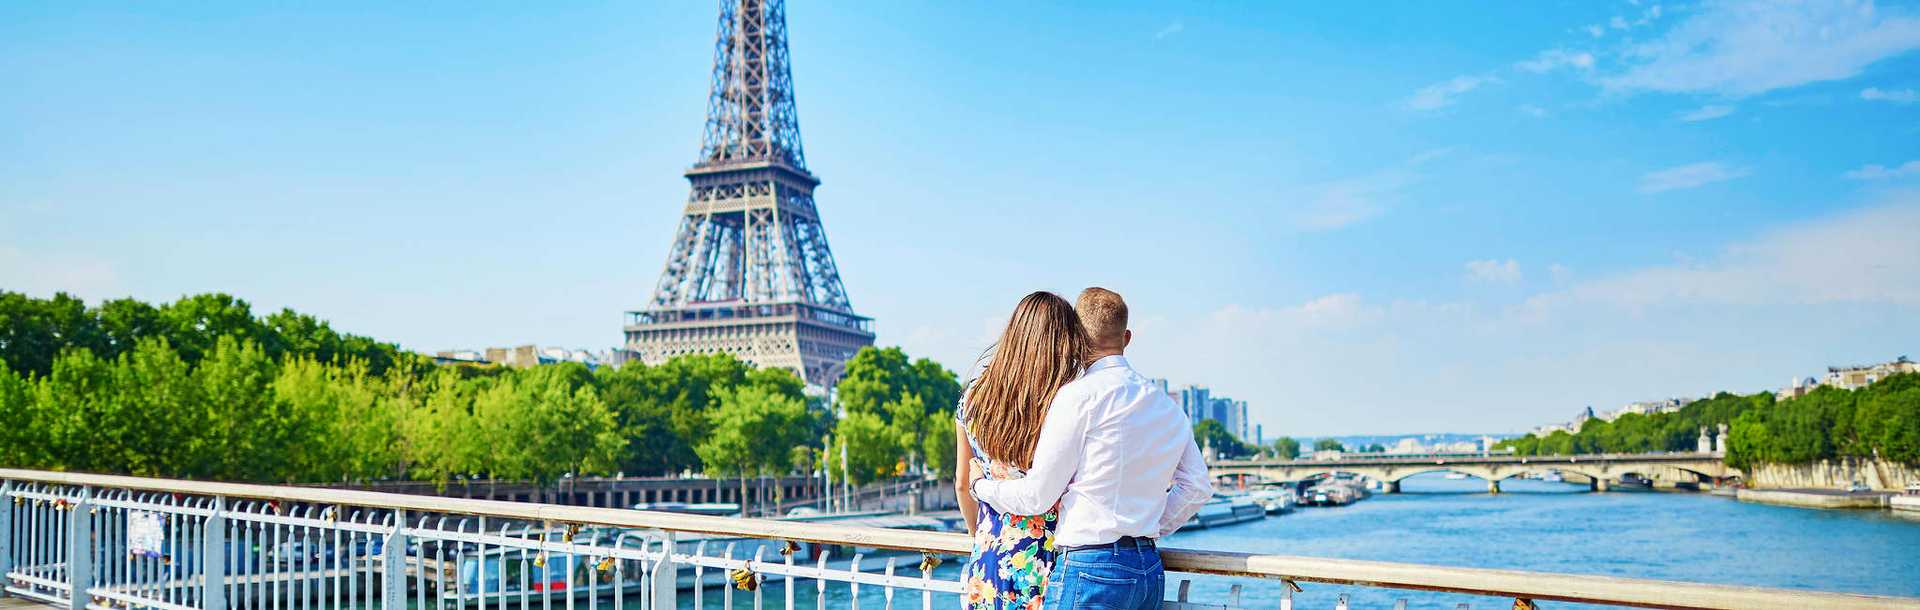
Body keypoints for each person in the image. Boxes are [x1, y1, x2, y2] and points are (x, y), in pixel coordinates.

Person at [968, 287, 1213, 610]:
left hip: (1090, 567)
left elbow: (1037, 496)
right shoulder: (1166, 405)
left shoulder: (1077, 398)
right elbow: (1197, 487)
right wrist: (1144, 528)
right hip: (1148, 570)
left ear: (1075, 337)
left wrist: (980, 486)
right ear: (1127, 338)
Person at [953, 291, 1091, 610]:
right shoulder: (1065, 401)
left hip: (988, 565)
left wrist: (984, 536)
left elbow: (963, 483)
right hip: (1049, 561)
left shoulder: (973, 399)